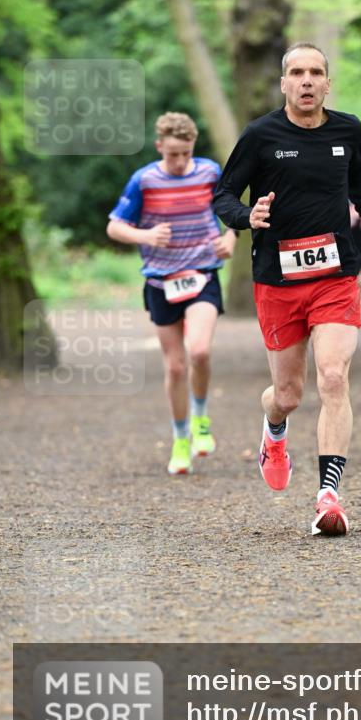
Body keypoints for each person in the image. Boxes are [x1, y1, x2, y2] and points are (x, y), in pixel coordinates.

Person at [213, 43, 361, 536]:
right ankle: (274, 430)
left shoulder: (348, 129)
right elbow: (224, 195)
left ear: (327, 82)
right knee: (290, 394)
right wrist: (245, 217)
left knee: (334, 377)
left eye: (316, 72)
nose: (307, 80)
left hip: (335, 276)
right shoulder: (260, 135)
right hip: (277, 280)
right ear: (283, 83)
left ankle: (328, 496)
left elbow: (357, 182)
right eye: (297, 72)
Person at [107, 112, 237, 475]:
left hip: (202, 275)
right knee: (175, 366)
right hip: (160, 282)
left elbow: (230, 214)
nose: (180, 162)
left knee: (200, 350)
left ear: (194, 147)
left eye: (187, 153)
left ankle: (200, 417)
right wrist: (146, 236)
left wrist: (230, 238)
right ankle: (181, 440)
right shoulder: (144, 180)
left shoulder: (210, 172)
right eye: (173, 154)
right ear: (160, 146)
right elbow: (115, 226)